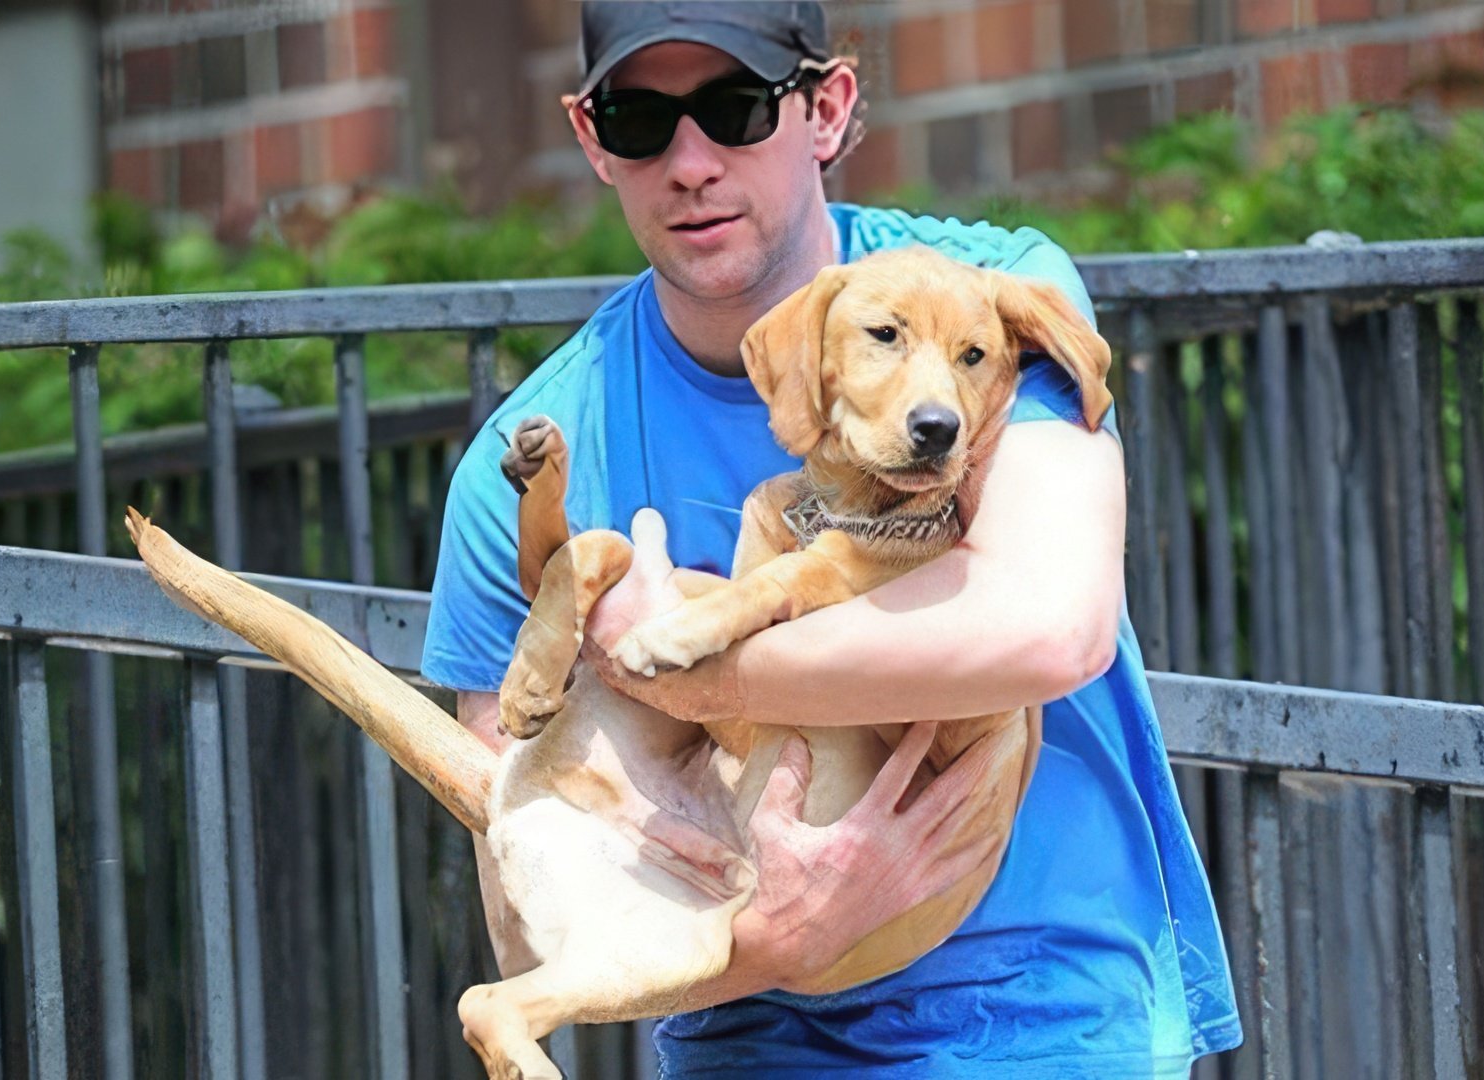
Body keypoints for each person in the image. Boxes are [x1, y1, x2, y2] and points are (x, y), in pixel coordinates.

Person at [421, 3, 1241, 1076]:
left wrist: (701, 675)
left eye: (735, 107)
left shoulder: (979, 309)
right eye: (640, 119)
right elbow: (532, 907)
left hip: (1045, 1014)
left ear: (828, 108)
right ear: (590, 138)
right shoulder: (524, 462)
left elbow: (1051, 626)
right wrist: (773, 942)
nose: (692, 162)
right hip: (751, 1041)